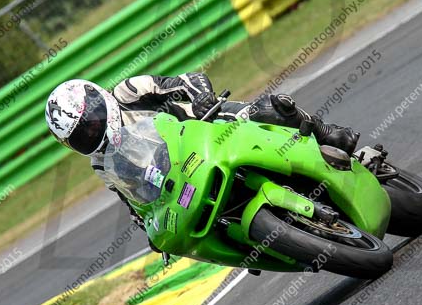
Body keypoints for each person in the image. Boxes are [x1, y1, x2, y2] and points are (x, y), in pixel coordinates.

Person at [44, 73, 359, 210]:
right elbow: (133, 202)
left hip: (213, 129)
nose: (90, 133)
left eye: (90, 123)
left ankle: (325, 132)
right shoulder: (102, 164)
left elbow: (186, 80)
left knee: (272, 108)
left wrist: (201, 99)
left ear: (99, 100)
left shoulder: (129, 91)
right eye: (80, 136)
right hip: (187, 178)